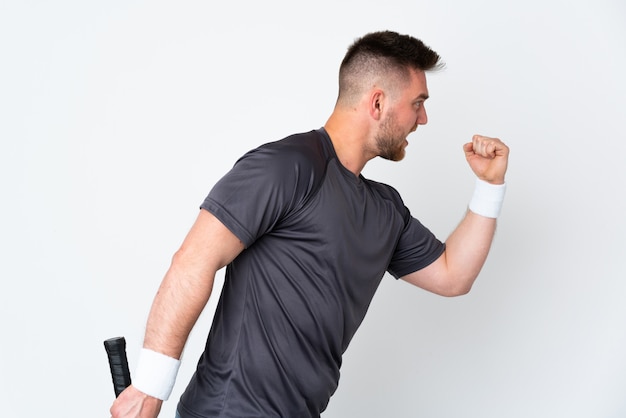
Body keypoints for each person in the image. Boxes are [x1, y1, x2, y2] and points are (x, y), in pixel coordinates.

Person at [110, 30, 509, 418]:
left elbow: (453, 275)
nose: (422, 119)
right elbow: (194, 259)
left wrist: (489, 186)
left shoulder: (386, 209)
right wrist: (150, 388)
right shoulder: (288, 166)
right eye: (417, 103)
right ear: (377, 103)